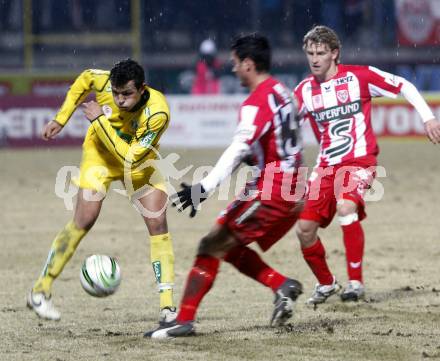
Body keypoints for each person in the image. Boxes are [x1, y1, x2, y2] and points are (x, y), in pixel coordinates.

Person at [144, 33, 305, 339]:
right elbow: (282, 141)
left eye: (234, 63)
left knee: (210, 245)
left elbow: (238, 149)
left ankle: (185, 320)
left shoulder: (255, 102)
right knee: (226, 242)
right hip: (292, 186)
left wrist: (203, 188)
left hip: (274, 189)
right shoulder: (283, 92)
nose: (231, 69)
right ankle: (280, 284)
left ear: (248, 64)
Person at [294, 25, 440, 304]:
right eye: (310, 53)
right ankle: (326, 283)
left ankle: (355, 283)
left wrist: (428, 118)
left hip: (359, 161)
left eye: (321, 53)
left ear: (334, 53)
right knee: (304, 229)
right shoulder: (303, 91)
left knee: (346, 206)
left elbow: (404, 85)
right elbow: (286, 126)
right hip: (325, 168)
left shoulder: (359, 77)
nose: (314, 59)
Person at [27, 59, 177, 325]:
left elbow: (130, 157)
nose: (120, 100)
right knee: (84, 219)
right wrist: (61, 118)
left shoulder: (158, 113)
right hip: (100, 158)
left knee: (158, 224)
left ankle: (168, 308)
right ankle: (40, 291)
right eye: (116, 93)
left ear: (142, 89)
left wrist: (98, 120)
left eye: (127, 94)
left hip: (138, 164)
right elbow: (84, 78)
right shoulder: (106, 82)